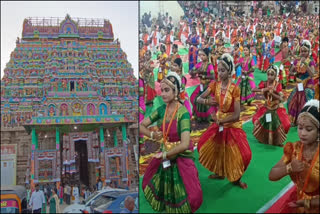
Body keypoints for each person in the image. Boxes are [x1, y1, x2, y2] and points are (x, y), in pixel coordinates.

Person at [140, 72, 203, 213]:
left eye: (166, 90)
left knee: (192, 197)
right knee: (152, 183)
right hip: (165, 152)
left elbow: (185, 144)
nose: (162, 94)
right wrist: (152, 134)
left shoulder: (183, 113)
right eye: (161, 90)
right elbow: (141, 125)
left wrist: (164, 155)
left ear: (176, 91)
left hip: (180, 155)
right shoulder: (161, 110)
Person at [197, 53, 252, 189]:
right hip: (219, 123)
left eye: (223, 71)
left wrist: (223, 121)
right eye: (218, 70)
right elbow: (198, 99)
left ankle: (237, 178)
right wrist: (207, 101)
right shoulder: (214, 85)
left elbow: (237, 115)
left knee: (243, 154)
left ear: (229, 72)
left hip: (232, 124)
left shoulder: (235, 89)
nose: (219, 73)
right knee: (213, 147)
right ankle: (220, 172)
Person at [269, 100, 319, 213]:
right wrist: (289, 167)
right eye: (300, 128)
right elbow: (272, 175)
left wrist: (308, 203)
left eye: (309, 129)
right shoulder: (294, 148)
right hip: (297, 199)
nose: (303, 133)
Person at [252, 65, 291, 146]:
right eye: (268, 74)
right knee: (257, 120)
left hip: (276, 108)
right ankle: (265, 139)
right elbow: (253, 89)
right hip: (267, 107)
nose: (269, 77)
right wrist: (265, 89)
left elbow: (281, 98)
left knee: (285, 124)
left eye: (272, 75)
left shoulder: (278, 85)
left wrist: (272, 93)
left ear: (275, 75)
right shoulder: (264, 83)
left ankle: (277, 141)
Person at [287, 40, 315, 125]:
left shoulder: (310, 61)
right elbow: (290, 71)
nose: (303, 53)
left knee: (305, 102)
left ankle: (305, 121)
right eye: (302, 51)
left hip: (307, 86)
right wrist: (295, 73)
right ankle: (295, 120)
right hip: (299, 85)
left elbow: (312, 74)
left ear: (309, 52)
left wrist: (305, 64)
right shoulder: (297, 61)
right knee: (291, 101)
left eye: (305, 51)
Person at [189, 48, 217, 130]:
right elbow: (191, 71)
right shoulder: (199, 64)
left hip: (209, 85)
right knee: (193, 97)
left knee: (205, 99)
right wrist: (196, 71)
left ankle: (208, 117)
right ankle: (200, 116)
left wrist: (203, 75)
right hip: (201, 85)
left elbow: (213, 76)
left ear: (207, 56)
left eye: (203, 55)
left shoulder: (209, 65)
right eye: (200, 55)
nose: (201, 57)